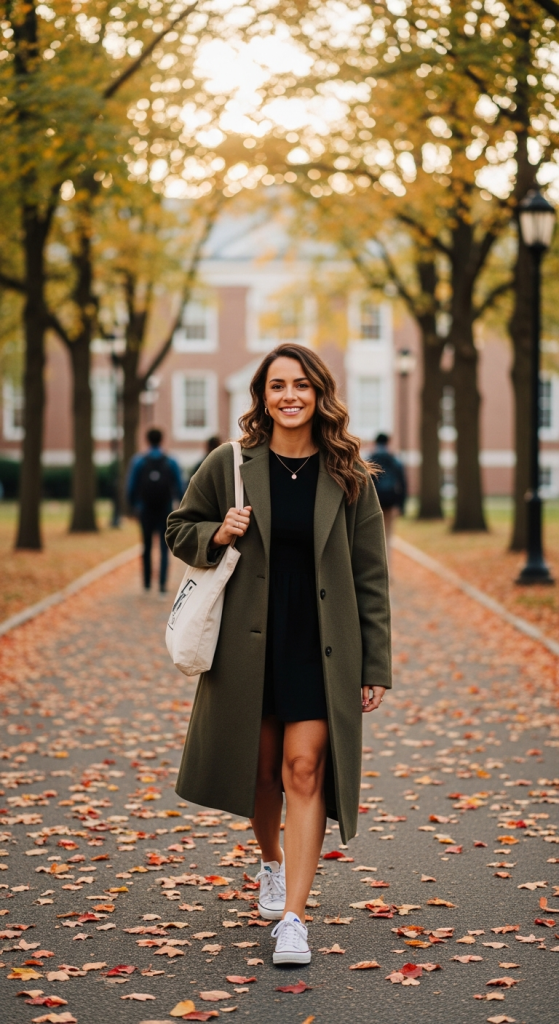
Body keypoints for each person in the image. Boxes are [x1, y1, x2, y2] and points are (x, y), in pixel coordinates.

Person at [166, 343, 391, 967]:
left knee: (305, 769)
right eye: (277, 386)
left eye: (301, 385)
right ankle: (271, 861)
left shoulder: (348, 474)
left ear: (319, 393)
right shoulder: (231, 463)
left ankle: (294, 918)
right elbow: (178, 528)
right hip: (249, 645)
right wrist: (218, 531)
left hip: (321, 646)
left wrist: (375, 664)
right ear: (262, 397)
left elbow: (371, 575)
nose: (289, 396)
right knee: (263, 773)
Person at [127, 427, 184, 593]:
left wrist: (133, 506)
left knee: (146, 546)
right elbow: (180, 486)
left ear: (147, 440)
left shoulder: (139, 461)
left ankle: (146, 583)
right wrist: (180, 507)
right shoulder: (171, 461)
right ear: (162, 440)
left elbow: (131, 487)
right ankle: (162, 585)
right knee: (164, 548)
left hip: (145, 509)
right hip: (165, 509)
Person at [367, 433, 407, 555]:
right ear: (387, 443)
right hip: (390, 500)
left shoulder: (370, 459)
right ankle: (387, 564)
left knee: (374, 536)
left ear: (376, 442)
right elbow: (402, 483)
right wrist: (401, 505)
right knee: (388, 535)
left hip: (374, 502)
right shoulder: (394, 460)